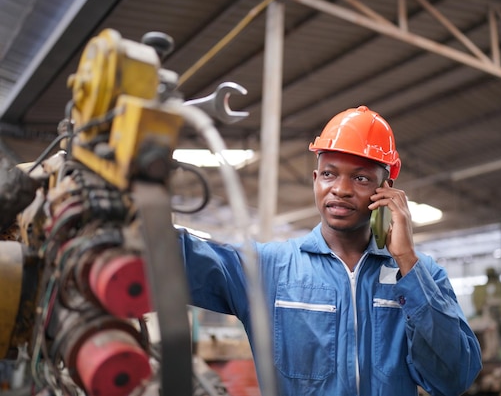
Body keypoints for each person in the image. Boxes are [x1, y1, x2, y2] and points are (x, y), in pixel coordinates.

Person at [179, 105, 482, 396]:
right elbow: (177, 257)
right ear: (315, 181)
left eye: (361, 178)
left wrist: (407, 261)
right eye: (329, 174)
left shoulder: (423, 276)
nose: (341, 188)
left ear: (387, 190)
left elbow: (453, 378)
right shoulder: (268, 269)